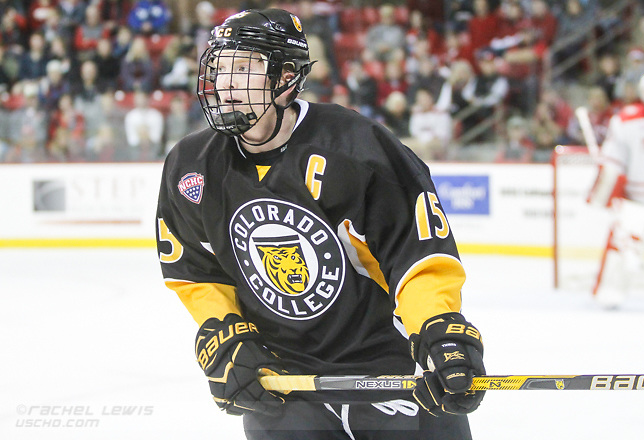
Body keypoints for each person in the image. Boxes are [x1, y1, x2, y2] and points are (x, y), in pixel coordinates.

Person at [155, 8, 485, 440]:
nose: (226, 82)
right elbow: (194, 271)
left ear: (286, 77)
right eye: (218, 68)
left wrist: (437, 327)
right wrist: (227, 336)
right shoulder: (190, 166)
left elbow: (417, 252)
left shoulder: (357, 147)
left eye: (245, 67)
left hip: (389, 372)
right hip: (284, 384)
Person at [587, 71, 644, 307]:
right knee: (621, 249)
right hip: (635, 199)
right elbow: (612, 162)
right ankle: (610, 292)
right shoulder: (626, 120)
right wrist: (600, 194)